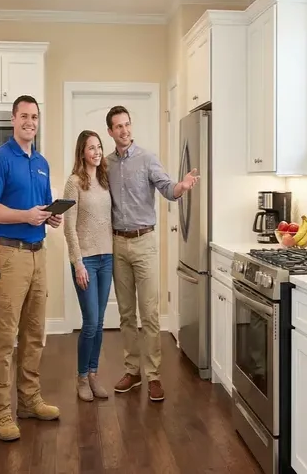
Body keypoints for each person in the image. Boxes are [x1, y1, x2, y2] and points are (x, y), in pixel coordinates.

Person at [0, 94, 62, 442]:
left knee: (34, 333)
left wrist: (49, 216)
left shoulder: (41, 162)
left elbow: (40, 206)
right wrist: (25, 216)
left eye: (34, 117)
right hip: (10, 256)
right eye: (24, 116)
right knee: (4, 337)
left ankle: (28, 400)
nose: (30, 122)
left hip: (39, 253)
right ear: (13, 119)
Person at [105, 105, 199, 402]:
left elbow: (167, 189)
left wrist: (182, 186)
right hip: (117, 244)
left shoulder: (147, 159)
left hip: (144, 242)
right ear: (110, 132)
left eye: (127, 124)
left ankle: (154, 375)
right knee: (126, 313)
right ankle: (132, 371)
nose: (124, 130)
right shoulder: (106, 164)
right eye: (118, 126)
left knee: (149, 312)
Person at [62, 130, 113, 402]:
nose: (96, 151)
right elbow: (69, 227)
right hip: (87, 261)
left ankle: (94, 374)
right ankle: (81, 377)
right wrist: (78, 263)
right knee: (91, 322)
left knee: (101, 322)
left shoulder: (105, 180)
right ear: (82, 152)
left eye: (99, 146)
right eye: (91, 147)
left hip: (107, 258)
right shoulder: (74, 183)